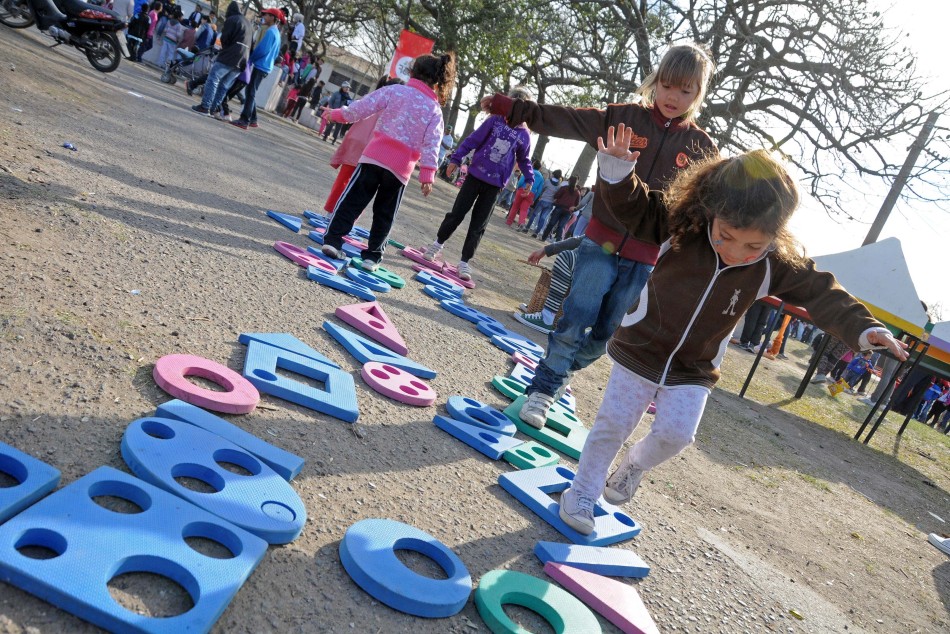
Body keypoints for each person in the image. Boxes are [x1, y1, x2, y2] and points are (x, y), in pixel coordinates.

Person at [556, 129, 909, 534]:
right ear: (712, 210)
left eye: (752, 245)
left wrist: (865, 329)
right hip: (643, 346)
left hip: (695, 367)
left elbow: (821, 291)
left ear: (775, 236)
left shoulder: (775, 264)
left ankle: (634, 463)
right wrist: (617, 170)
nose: (735, 251)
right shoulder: (683, 224)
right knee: (612, 424)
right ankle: (582, 491)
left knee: (676, 435)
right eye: (726, 236)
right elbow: (634, 208)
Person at [483, 44, 720, 428]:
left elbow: (710, 204)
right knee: (577, 316)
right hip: (600, 242)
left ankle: (559, 371)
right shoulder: (621, 118)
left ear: (699, 94)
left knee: (609, 332)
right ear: (655, 81)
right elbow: (565, 119)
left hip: (646, 256)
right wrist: (513, 109)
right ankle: (544, 389)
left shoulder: (701, 149)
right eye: (667, 85)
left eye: (686, 90)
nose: (673, 97)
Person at [319, 53, 457, 271]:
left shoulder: (394, 90)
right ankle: (372, 257)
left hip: (374, 157)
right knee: (385, 213)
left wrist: (335, 114)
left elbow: (360, 109)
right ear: (438, 81)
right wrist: (427, 175)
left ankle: (333, 240)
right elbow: (432, 144)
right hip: (400, 168)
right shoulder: (434, 110)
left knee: (352, 201)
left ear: (412, 72)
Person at [418, 86, 535, 281]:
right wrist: (456, 159)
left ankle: (464, 261)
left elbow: (524, 159)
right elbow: (473, 140)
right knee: (456, 213)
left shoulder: (524, 135)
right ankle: (438, 244)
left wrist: (529, 178)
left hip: (495, 185)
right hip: (474, 176)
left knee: (478, 224)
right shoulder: (495, 121)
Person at [322, 76, 405, 214]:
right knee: (361, 188)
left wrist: (335, 114)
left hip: (355, 143)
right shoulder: (397, 110)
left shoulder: (371, 98)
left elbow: (351, 113)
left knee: (343, 180)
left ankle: (331, 211)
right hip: (374, 150)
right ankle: (347, 218)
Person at [192, 1, 251, 118]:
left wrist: (225, 48)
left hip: (230, 56)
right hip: (243, 60)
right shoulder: (248, 23)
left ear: (229, 11)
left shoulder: (232, 19)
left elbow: (225, 38)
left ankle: (205, 107)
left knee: (213, 78)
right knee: (224, 85)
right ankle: (213, 109)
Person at [230, 8, 285, 130]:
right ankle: (253, 119)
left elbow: (262, 49)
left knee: (250, 93)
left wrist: (251, 58)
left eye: (266, 15)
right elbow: (276, 54)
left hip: (260, 65)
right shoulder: (276, 32)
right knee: (251, 92)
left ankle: (244, 120)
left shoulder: (270, 32)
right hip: (266, 66)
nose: (264, 17)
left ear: (272, 18)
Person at [523, 169, 563, 237]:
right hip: (550, 203)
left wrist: (539, 196)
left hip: (543, 200)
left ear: (553, 174)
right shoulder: (559, 186)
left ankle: (527, 228)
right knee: (543, 218)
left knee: (534, 214)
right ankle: (536, 233)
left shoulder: (547, 181)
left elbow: (542, 189)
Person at [541, 175, 580, 241]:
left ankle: (544, 237)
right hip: (568, 211)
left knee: (551, 223)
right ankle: (558, 241)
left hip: (559, 207)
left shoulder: (564, 188)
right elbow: (577, 204)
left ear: (569, 181)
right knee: (561, 226)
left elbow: (556, 196)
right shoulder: (577, 192)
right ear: (576, 182)